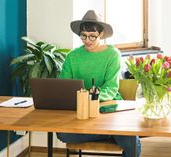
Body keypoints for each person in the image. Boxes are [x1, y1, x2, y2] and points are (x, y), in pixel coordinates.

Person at [56, 10, 141, 157]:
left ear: (101, 34)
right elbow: (64, 84)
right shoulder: (73, 56)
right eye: (83, 36)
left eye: (92, 36)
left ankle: (109, 131)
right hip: (81, 109)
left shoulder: (112, 54)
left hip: (108, 107)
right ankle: (109, 133)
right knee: (63, 135)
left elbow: (111, 87)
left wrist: (91, 98)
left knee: (132, 143)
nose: (87, 40)